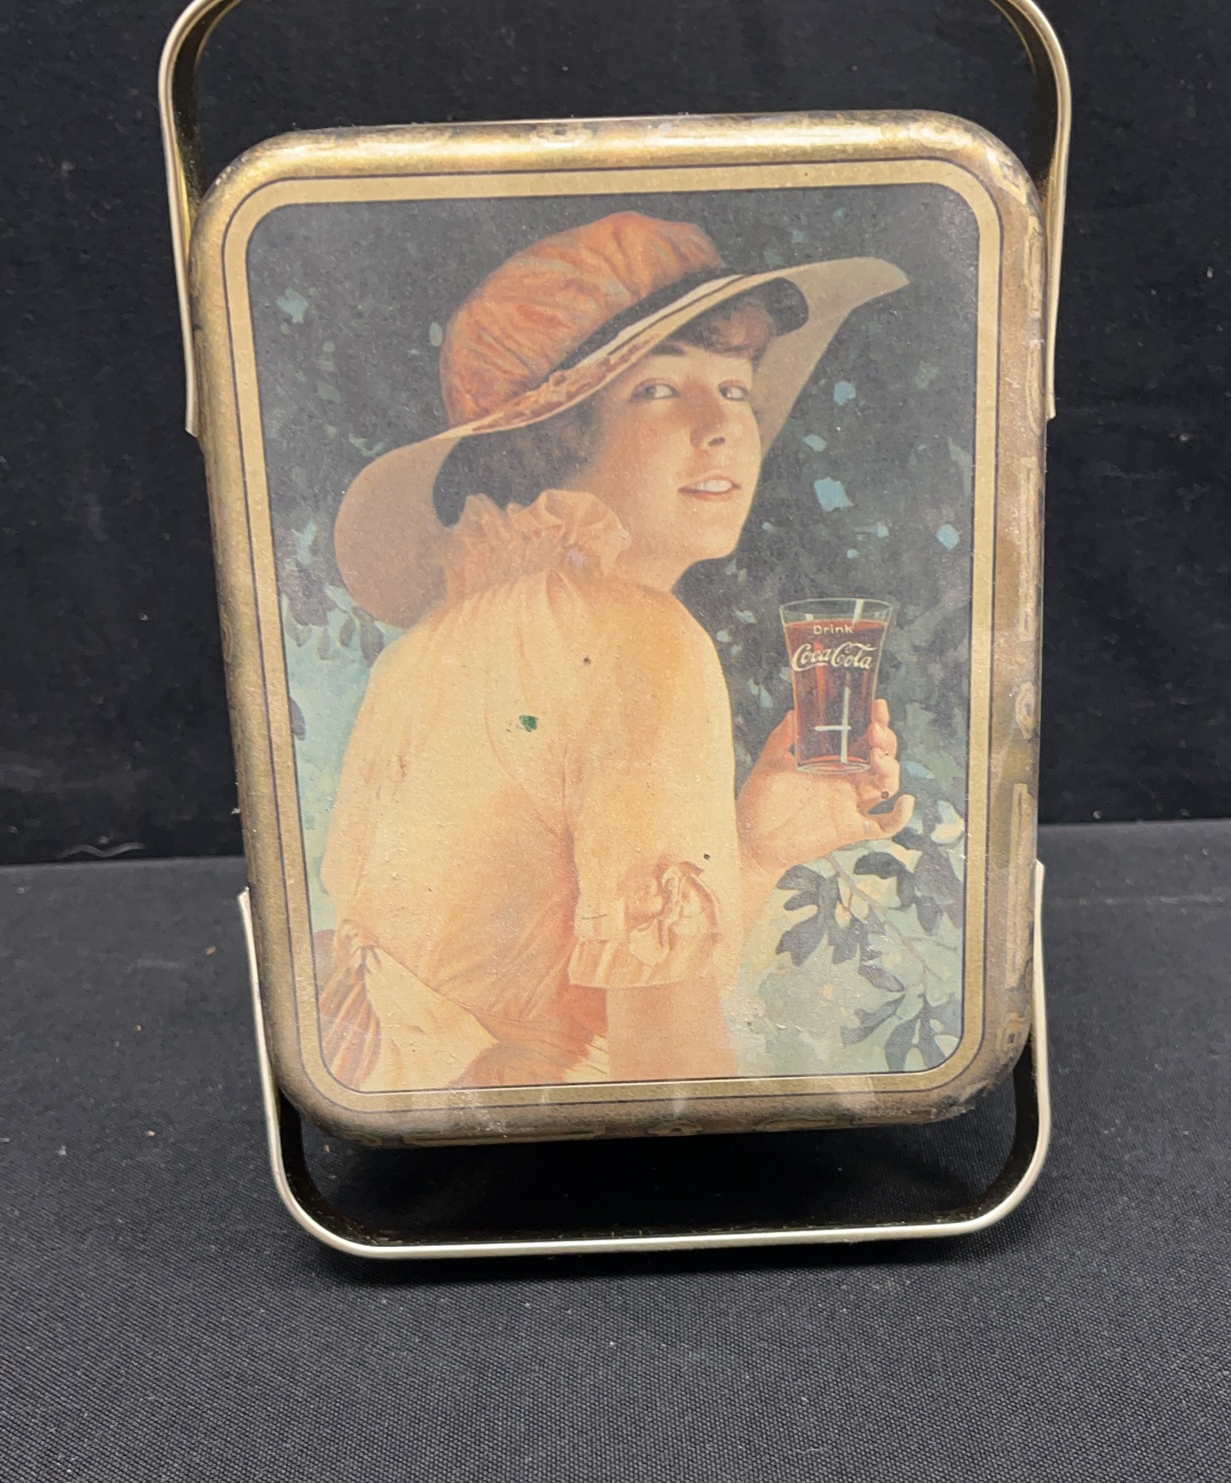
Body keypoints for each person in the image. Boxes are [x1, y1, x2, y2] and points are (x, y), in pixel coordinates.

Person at [318, 210, 914, 1092]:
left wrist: (750, 852)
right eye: (659, 389)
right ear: (558, 436)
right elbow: (668, 1080)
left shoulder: (440, 637)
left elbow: (575, 992)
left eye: (735, 387)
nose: (721, 425)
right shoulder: (643, 640)